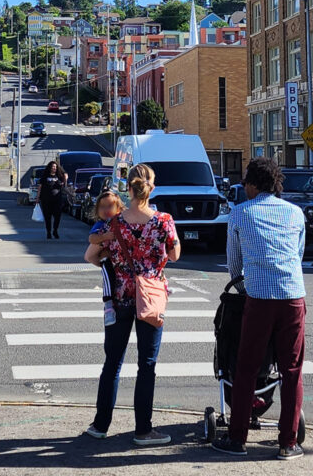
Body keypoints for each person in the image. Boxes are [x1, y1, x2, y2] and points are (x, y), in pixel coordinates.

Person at [212, 156, 306, 461]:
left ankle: (237, 437)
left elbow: (235, 264)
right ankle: (288, 442)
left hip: (259, 297)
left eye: (246, 183)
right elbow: (298, 254)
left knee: (247, 366)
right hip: (293, 295)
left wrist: (245, 288)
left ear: (253, 184)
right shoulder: (295, 213)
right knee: (291, 370)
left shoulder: (239, 214)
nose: (244, 188)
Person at [83, 163, 180, 447]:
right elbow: (174, 255)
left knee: (112, 363)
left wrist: (112, 258)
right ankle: (143, 430)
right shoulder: (163, 221)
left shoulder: (113, 223)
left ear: (128, 187)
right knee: (146, 365)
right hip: (149, 298)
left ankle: (100, 425)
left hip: (120, 297)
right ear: (151, 187)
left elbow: (90, 255)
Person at [88, 190, 123, 326]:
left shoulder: (121, 221)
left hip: (121, 261)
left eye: (110, 206)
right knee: (108, 279)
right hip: (107, 260)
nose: (106, 210)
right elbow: (91, 238)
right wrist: (104, 237)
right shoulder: (100, 225)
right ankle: (108, 305)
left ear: (118, 208)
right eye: (102, 207)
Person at [36, 160, 66, 239]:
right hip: (46, 200)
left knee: (57, 216)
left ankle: (55, 230)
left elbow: (65, 175)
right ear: (50, 167)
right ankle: (48, 232)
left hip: (57, 200)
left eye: (55, 167)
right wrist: (37, 198)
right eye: (53, 167)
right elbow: (40, 187)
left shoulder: (59, 176)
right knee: (47, 217)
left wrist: (65, 179)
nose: (54, 168)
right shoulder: (45, 177)